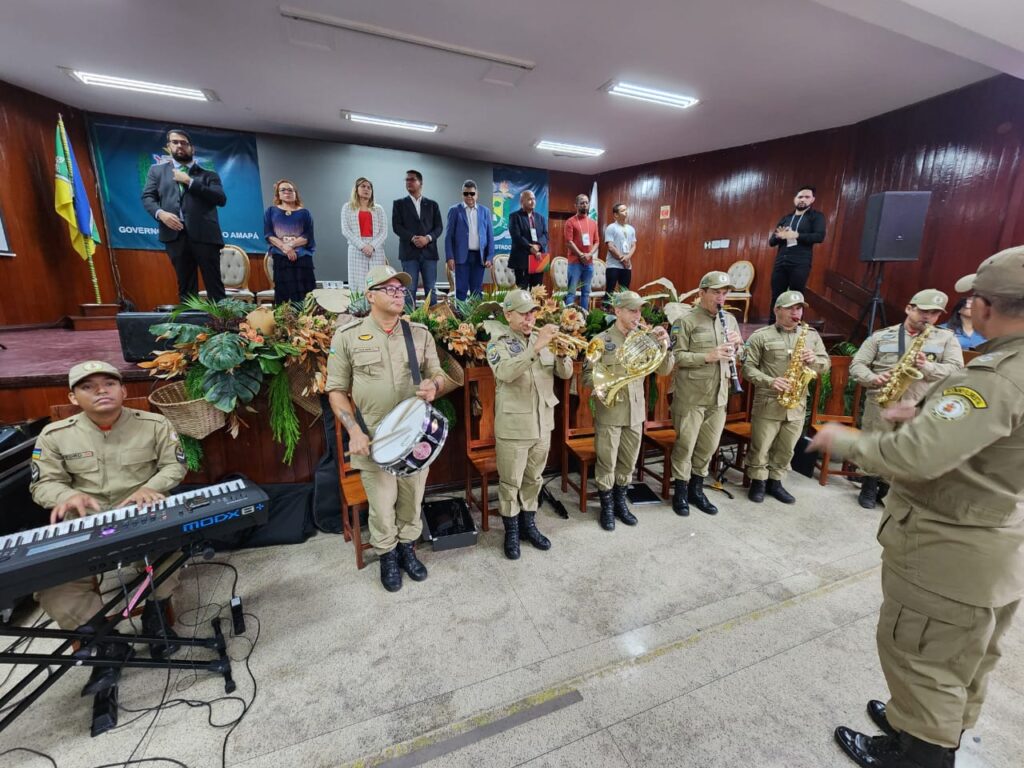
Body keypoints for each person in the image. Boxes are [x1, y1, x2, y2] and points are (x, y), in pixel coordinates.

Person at [809, 245, 1024, 768]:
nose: (966, 310)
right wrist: (927, 419)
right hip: (996, 543)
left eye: (972, 300)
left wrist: (845, 439)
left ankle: (918, 751)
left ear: (990, 306)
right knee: (968, 659)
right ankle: (925, 728)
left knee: (923, 660)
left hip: (949, 552)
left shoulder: (995, 378)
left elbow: (914, 458)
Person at [30, 361, 187, 696]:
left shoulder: (154, 424)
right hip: (85, 527)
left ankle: (156, 617)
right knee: (52, 585)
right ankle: (107, 639)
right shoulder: (54, 435)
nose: (101, 391)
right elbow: (41, 485)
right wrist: (66, 494)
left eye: (109, 384)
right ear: (73, 397)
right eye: (88, 387)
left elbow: (175, 465)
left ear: (124, 391)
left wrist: (152, 487)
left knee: (173, 548)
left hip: (143, 516)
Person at [326, 265, 446, 592]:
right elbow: (335, 389)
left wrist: (434, 385)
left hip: (415, 437)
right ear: (370, 296)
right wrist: (353, 430)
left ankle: (408, 548)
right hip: (373, 439)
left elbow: (439, 372)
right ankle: (388, 554)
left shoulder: (419, 333)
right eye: (389, 289)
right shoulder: (347, 337)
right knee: (381, 505)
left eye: (400, 289)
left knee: (412, 499)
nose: (398, 295)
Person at [850, 290, 963, 509]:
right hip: (882, 399)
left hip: (918, 403)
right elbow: (857, 365)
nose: (928, 317)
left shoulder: (946, 339)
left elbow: (957, 370)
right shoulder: (881, 336)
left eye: (935, 313)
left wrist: (927, 366)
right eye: (924, 311)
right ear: (909, 308)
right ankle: (869, 484)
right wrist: (873, 378)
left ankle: (888, 486)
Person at [487, 289, 573, 559]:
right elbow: (506, 373)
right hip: (514, 426)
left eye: (533, 312)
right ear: (508, 315)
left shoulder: (543, 340)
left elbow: (566, 373)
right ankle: (511, 531)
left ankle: (528, 525)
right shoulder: (497, 343)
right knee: (510, 481)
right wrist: (536, 348)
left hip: (542, 423)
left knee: (534, 478)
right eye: (523, 313)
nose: (530, 318)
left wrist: (561, 355)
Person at [584, 291, 671, 530]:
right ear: (618, 311)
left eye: (639, 310)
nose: (637, 315)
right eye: (632, 310)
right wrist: (602, 385)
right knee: (607, 462)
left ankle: (621, 502)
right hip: (610, 412)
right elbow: (585, 376)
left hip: (635, 411)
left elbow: (663, 370)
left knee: (628, 462)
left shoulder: (645, 339)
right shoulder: (600, 340)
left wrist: (665, 344)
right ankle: (607, 507)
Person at [742, 291, 830, 504]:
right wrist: (770, 381)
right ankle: (758, 482)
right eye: (791, 308)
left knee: (787, 446)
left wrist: (814, 360)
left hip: (797, 402)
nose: (796, 312)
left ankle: (776, 481)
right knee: (761, 445)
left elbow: (825, 364)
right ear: (777, 310)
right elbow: (747, 368)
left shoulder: (811, 336)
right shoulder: (761, 336)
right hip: (768, 399)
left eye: (799, 308)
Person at [668, 271, 744, 517]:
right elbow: (677, 357)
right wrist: (708, 356)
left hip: (719, 396)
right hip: (691, 397)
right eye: (716, 293)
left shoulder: (730, 320)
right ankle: (680, 492)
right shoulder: (685, 321)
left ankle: (696, 490)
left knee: (708, 447)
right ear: (702, 293)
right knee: (685, 446)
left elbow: (738, 355)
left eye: (724, 293)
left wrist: (738, 346)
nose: (721, 298)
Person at [141, 129, 227, 302]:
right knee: (186, 286)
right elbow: (148, 197)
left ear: (192, 148)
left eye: (184, 143)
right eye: (175, 142)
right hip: (175, 236)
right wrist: (161, 214)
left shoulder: (208, 174)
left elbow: (220, 199)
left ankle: (223, 326)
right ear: (169, 147)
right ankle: (191, 327)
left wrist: (189, 181)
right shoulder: (157, 171)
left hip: (205, 236)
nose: (179, 145)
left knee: (214, 285)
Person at [768, 186, 827, 308]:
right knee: (776, 297)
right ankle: (772, 325)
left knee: (796, 297)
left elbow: (819, 237)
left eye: (807, 197)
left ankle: (795, 326)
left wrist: (797, 235)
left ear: (812, 200)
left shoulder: (816, 216)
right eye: (800, 197)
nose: (803, 199)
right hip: (781, 262)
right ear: (795, 199)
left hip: (800, 263)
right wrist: (779, 236)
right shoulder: (786, 218)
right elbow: (771, 242)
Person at [392, 170, 443, 308]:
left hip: (429, 253)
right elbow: (396, 227)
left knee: (431, 289)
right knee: (409, 289)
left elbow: (439, 228)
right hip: (409, 253)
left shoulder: (433, 205)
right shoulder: (399, 204)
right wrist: (413, 238)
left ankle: (433, 322)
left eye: (412, 179)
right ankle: (409, 322)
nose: (409, 182)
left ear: (420, 183)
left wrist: (427, 238)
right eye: (407, 180)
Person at [264, 179, 315, 304]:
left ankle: (307, 322)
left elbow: (307, 236)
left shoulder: (305, 213)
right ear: (278, 194)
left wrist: (290, 246)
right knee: (283, 295)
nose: (287, 192)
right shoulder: (271, 211)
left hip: (302, 258)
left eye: (290, 190)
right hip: (281, 258)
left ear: (295, 193)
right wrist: (284, 248)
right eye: (283, 190)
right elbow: (269, 234)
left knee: (306, 295)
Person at [444, 179, 494, 300]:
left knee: (476, 290)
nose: (469, 196)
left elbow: (490, 236)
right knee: (461, 290)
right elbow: (448, 236)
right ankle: (461, 318)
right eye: (466, 193)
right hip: (461, 257)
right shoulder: (455, 210)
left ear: (477, 194)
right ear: (462, 194)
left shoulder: (485, 211)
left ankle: (476, 318)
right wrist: (450, 257)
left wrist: (489, 257)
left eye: (472, 193)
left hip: (479, 257)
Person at [340, 177, 387, 292]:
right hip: (356, 249)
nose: (366, 189)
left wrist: (372, 246)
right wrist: (362, 246)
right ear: (356, 189)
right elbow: (346, 230)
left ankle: (375, 309)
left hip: (375, 249)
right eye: (363, 186)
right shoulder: (348, 207)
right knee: (358, 283)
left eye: (369, 187)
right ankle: (359, 310)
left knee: (376, 281)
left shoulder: (378, 209)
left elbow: (384, 232)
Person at [564, 194, 599, 309]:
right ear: (576, 205)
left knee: (586, 293)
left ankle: (584, 317)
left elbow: (597, 242)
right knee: (571, 292)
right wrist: (581, 255)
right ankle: (568, 319)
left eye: (586, 202)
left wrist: (589, 255)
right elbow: (569, 242)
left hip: (588, 263)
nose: (585, 205)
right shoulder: (570, 222)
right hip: (575, 262)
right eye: (582, 203)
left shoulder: (593, 223)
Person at [508, 190, 548, 289]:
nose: (532, 201)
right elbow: (516, 236)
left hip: (538, 259)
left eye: (534, 199)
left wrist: (538, 246)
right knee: (522, 292)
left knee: (537, 291)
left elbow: (545, 235)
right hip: (522, 260)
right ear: (522, 201)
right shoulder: (515, 216)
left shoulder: (540, 218)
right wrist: (530, 247)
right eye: (529, 199)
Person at [603, 203, 637, 296]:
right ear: (616, 215)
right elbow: (610, 246)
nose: (626, 212)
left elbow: (634, 245)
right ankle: (606, 308)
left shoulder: (631, 229)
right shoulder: (611, 227)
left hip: (627, 265)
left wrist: (627, 258)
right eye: (622, 210)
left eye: (626, 209)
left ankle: (621, 311)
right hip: (613, 265)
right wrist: (622, 259)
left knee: (624, 292)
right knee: (610, 291)